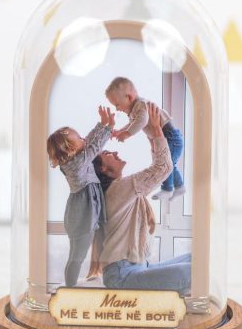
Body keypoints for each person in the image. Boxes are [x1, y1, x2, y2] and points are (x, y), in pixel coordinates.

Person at [92, 104, 191, 295]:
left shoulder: (122, 189)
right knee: (194, 272)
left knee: (197, 259)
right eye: (108, 154)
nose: (115, 152)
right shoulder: (117, 190)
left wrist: (152, 136)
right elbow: (162, 169)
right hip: (122, 275)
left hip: (136, 267)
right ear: (102, 169)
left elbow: (158, 168)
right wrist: (156, 130)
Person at [47, 106, 115, 287]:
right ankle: (69, 287)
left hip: (82, 209)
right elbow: (94, 146)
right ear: (70, 149)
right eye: (78, 138)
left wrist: (101, 124)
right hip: (82, 213)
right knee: (77, 256)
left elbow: (88, 141)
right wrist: (108, 127)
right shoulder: (77, 163)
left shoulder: (73, 158)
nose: (83, 138)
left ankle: (70, 285)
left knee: (75, 255)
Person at [105, 76, 185, 201]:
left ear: (129, 97)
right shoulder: (135, 110)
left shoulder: (141, 105)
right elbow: (132, 124)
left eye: (117, 104)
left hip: (170, 137)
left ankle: (167, 189)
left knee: (166, 165)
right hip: (168, 138)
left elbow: (142, 121)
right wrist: (119, 132)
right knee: (171, 165)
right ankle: (180, 187)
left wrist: (127, 134)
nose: (117, 109)